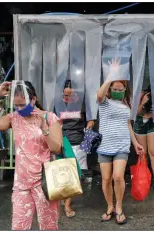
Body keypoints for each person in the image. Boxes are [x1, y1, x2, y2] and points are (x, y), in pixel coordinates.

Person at [0, 81, 63, 230]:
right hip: (21, 184)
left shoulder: (50, 118)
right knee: (19, 227)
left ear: (33, 99)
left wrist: (44, 129)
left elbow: (57, 148)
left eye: (23, 104)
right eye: (16, 105)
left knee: (48, 227)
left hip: (44, 183)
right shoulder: (14, 118)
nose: (19, 109)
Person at [96, 58, 144, 225]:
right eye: (114, 88)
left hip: (122, 145)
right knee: (106, 179)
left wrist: (135, 142)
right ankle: (109, 206)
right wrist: (111, 75)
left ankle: (119, 206)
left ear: (124, 90)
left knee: (118, 177)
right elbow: (99, 94)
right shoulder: (104, 103)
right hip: (104, 146)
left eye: (120, 89)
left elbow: (128, 125)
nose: (117, 91)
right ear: (110, 89)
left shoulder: (126, 105)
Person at [60, 80, 95, 218]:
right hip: (63, 143)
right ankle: (67, 203)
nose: (68, 98)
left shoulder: (82, 105)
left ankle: (67, 202)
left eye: (70, 95)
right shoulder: (58, 106)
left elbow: (91, 120)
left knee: (78, 175)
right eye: (65, 96)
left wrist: (90, 125)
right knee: (65, 174)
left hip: (79, 143)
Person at [133, 85, 154, 191]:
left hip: (151, 124)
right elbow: (135, 113)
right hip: (139, 123)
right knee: (143, 153)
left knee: (153, 152)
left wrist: (152, 114)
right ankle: (143, 179)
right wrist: (142, 102)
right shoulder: (141, 94)